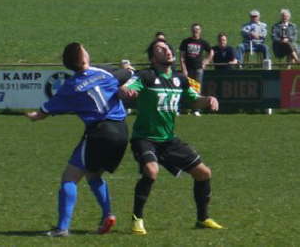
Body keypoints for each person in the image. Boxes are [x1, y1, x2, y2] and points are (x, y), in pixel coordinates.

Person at [25, 42, 133, 237]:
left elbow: (46, 110)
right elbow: (127, 75)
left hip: (100, 131)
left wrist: (34, 116)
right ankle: (107, 214)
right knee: (93, 175)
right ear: (83, 58)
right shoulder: (105, 73)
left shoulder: (71, 86)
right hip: (122, 132)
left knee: (69, 178)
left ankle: (62, 228)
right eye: (84, 49)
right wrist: (126, 72)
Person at [120, 39, 223, 235]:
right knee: (151, 171)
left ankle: (203, 218)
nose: (166, 50)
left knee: (204, 173)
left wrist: (208, 100)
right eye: (160, 49)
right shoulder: (146, 76)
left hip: (168, 140)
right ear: (152, 58)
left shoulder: (180, 79)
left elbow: (194, 101)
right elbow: (128, 86)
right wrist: (126, 90)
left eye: (167, 47)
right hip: (145, 138)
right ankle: (137, 219)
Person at [178, 23, 212, 88]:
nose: (195, 31)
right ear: (191, 30)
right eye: (194, 29)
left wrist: (206, 62)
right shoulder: (186, 41)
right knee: (187, 88)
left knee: (197, 88)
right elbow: (182, 57)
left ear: (200, 31)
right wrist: (184, 69)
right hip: (188, 69)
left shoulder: (203, 42)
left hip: (198, 69)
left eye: (197, 29)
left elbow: (211, 52)